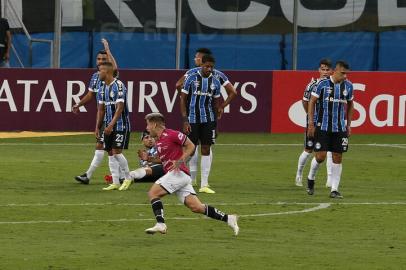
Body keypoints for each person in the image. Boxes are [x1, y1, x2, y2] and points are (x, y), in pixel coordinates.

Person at [143, 113, 239, 236]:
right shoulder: (159, 140)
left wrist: (180, 160)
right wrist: (149, 158)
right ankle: (229, 219)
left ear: (154, 124)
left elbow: (191, 146)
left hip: (178, 173)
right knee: (196, 207)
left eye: (148, 124)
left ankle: (161, 224)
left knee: (153, 193)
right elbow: (164, 160)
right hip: (177, 176)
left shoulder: (172, 134)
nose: (147, 128)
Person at [180, 54, 237, 194]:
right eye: (207, 66)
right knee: (191, 149)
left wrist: (215, 123)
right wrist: (185, 120)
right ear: (201, 65)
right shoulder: (191, 78)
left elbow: (215, 103)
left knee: (206, 148)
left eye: (211, 67)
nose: (209, 69)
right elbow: (183, 99)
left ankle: (204, 184)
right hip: (193, 119)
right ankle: (184, 178)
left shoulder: (215, 81)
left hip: (209, 119)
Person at [73, 39, 122, 184]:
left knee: (114, 150)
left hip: (115, 119)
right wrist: (78, 104)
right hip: (103, 117)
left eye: (103, 59)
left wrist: (107, 49)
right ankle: (89, 175)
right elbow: (90, 95)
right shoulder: (95, 77)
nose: (100, 61)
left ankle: (121, 177)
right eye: (98, 59)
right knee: (103, 147)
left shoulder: (112, 75)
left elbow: (115, 66)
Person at [306, 60, 354, 198]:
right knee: (320, 157)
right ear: (335, 71)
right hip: (322, 126)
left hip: (339, 127)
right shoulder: (322, 84)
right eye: (343, 73)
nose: (345, 76)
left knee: (337, 157)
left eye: (347, 74)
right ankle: (311, 178)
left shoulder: (349, 86)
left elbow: (351, 105)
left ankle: (334, 189)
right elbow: (312, 102)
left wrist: (349, 125)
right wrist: (311, 124)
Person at [295, 59, 333, 187]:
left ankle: (329, 179)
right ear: (319, 70)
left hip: (327, 124)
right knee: (308, 149)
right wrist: (311, 117)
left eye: (327, 69)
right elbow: (305, 101)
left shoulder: (334, 86)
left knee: (328, 151)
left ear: (331, 71)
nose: (325, 72)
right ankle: (299, 174)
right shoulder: (312, 85)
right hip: (313, 123)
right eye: (323, 69)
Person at [96, 61, 131, 190]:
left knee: (116, 152)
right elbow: (101, 109)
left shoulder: (119, 86)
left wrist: (111, 125)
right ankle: (115, 182)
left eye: (100, 70)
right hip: (108, 125)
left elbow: (120, 108)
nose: (98, 73)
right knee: (109, 152)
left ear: (107, 71)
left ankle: (127, 178)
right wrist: (97, 127)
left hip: (120, 125)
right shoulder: (101, 88)